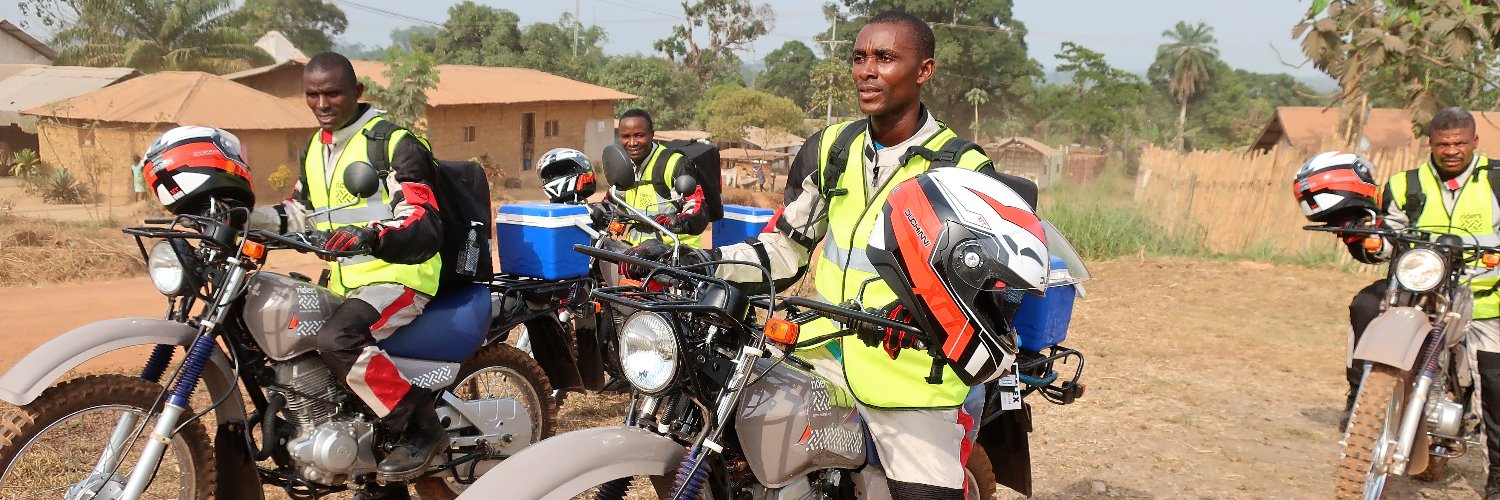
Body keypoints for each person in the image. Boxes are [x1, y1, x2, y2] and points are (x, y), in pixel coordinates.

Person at [629, 12, 1037, 498]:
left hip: (910, 378)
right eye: (859, 57)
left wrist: (911, 314)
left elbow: (985, 292)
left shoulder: (960, 167)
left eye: (885, 58)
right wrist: (700, 262)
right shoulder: (832, 149)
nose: (867, 70)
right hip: (822, 350)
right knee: (726, 441)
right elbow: (783, 248)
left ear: (923, 70)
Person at [249, 51, 446, 490]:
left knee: (337, 340)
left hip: (399, 275)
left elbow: (421, 216)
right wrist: (244, 218)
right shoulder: (316, 149)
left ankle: (419, 424)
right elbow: (302, 212)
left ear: (357, 92)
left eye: (333, 92)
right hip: (345, 279)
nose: (322, 103)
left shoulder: (393, 143)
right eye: (312, 94)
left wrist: (371, 235)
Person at [1339, 107, 1500, 496]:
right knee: (1364, 304)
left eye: (1460, 143)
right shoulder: (1405, 184)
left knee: (1496, 387)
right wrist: (1371, 241)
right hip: (1418, 289)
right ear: (1430, 143)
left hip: (1484, 298)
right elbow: (1387, 230)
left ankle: (1497, 479)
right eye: (1443, 143)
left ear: (1475, 142)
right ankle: (1360, 392)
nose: (1451, 151)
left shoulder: (1497, 179)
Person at [615, 108, 711, 248]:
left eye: (639, 135)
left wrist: (679, 220)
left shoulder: (673, 163)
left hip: (677, 253)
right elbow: (614, 199)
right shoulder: (624, 165)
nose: (632, 143)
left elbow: (697, 207)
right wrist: (599, 209)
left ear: (652, 135)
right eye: (625, 136)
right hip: (638, 253)